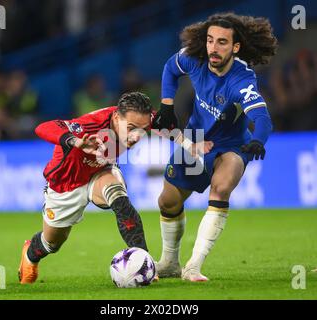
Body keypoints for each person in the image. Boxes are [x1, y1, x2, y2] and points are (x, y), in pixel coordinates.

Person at [152, 13, 277, 281]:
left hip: (231, 145)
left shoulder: (241, 79)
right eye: (210, 40)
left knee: (221, 186)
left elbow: (262, 117)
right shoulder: (193, 58)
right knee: (167, 201)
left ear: (235, 47)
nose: (213, 48)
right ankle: (170, 262)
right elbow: (169, 69)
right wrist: (166, 105)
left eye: (222, 42)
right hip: (196, 140)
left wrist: (258, 140)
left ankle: (193, 266)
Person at [18, 92, 153, 284]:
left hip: (101, 170)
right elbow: (43, 127)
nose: (136, 136)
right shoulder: (90, 125)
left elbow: (165, 120)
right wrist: (75, 141)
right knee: (52, 243)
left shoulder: (140, 117)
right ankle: (30, 255)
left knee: (118, 197)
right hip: (66, 183)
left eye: (143, 130)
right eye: (130, 128)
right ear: (116, 117)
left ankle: (144, 262)